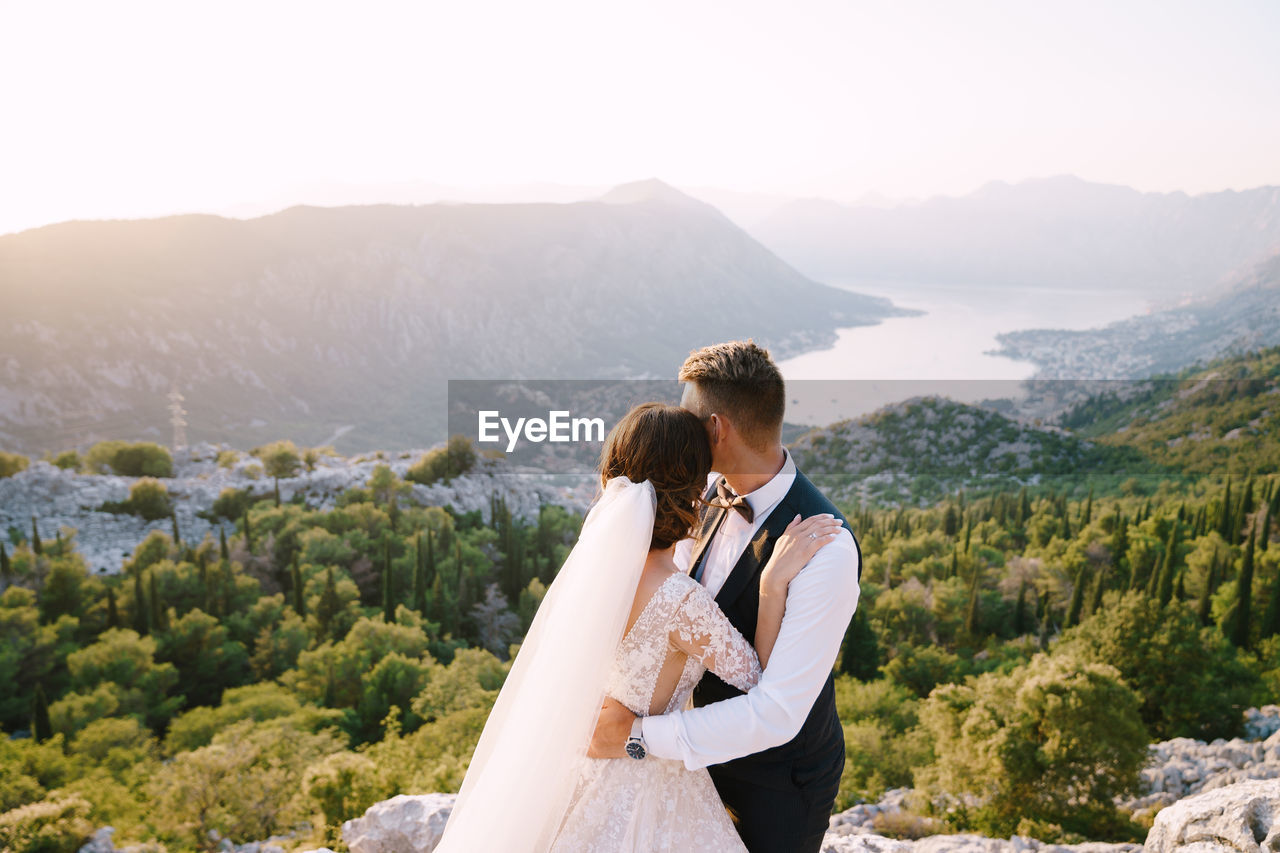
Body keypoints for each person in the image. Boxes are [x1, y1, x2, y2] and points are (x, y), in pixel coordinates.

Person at [435, 401, 842, 852]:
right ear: (693, 492)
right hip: (649, 784)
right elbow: (758, 681)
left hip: (583, 770)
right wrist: (771, 586)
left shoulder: (596, 578)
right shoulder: (680, 600)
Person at [589, 340, 863, 853]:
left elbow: (777, 710)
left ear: (715, 429)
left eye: (689, 420)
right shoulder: (693, 498)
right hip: (678, 773)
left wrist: (637, 736)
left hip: (775, 787)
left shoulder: (825, 549)